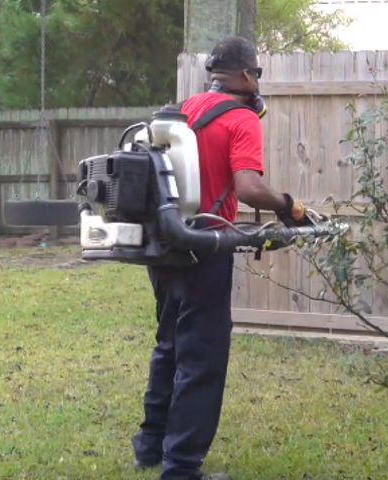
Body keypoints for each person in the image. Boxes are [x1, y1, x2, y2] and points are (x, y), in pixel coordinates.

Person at [131, 36, 313, 480]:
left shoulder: (184, 110)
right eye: (257, 73)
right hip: (205, 248)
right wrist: (288, 205)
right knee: (203, 356)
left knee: (169, 345)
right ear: (247, 75)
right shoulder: (241, 118)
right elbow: (248, 188)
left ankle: (150, 447)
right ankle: (181, 467)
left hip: (165, 244)